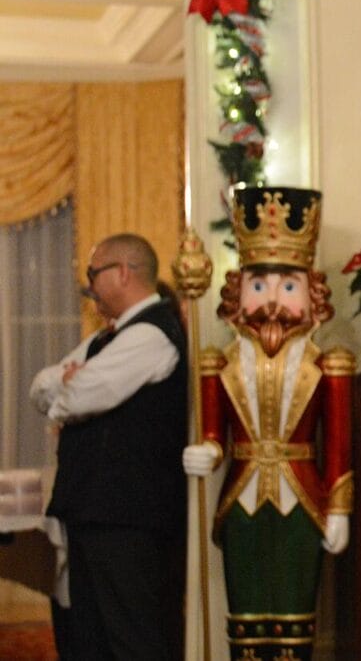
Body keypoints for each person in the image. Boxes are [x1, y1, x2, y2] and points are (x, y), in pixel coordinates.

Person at [181, 187, 354, 661]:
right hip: (242, 501)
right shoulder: (220, 362)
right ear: (239, 293)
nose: (273, 301)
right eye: (259, 286)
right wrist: (208, 451)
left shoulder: (330, 364)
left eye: (288, 287)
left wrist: (339, 508)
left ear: (311, 293)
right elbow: (216, 434)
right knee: (248, 623)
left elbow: (338, 443)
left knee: (296, 623)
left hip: (303, 501)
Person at [31, 233, 187, 660]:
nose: (88, 286)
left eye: (92, 274)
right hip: (91, 511)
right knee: (88, 638)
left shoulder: (152, 333)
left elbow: (79, 393)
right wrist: (67, 386)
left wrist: (69, 387)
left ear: (122, 272)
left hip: (129, 516)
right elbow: (39, 388)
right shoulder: (105, 340)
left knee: (132, 639)